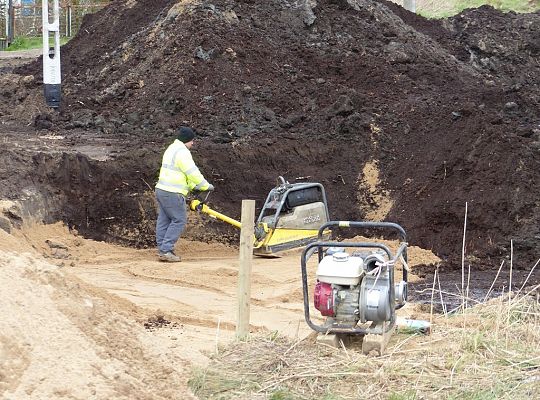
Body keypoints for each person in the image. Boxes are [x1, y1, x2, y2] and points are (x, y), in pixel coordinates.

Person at [155, 126, 214, 262]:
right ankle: (166, 250)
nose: (193, 143)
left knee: (164, 220)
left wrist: (193, 186)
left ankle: (162, 249)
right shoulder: (182, 152)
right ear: (187, 140)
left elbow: (179, 173)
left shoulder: (171, 149)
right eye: (192, 140)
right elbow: (191, 171)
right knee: (179, 220)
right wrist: (205, 186)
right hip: (173, 193)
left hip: (161, 190)